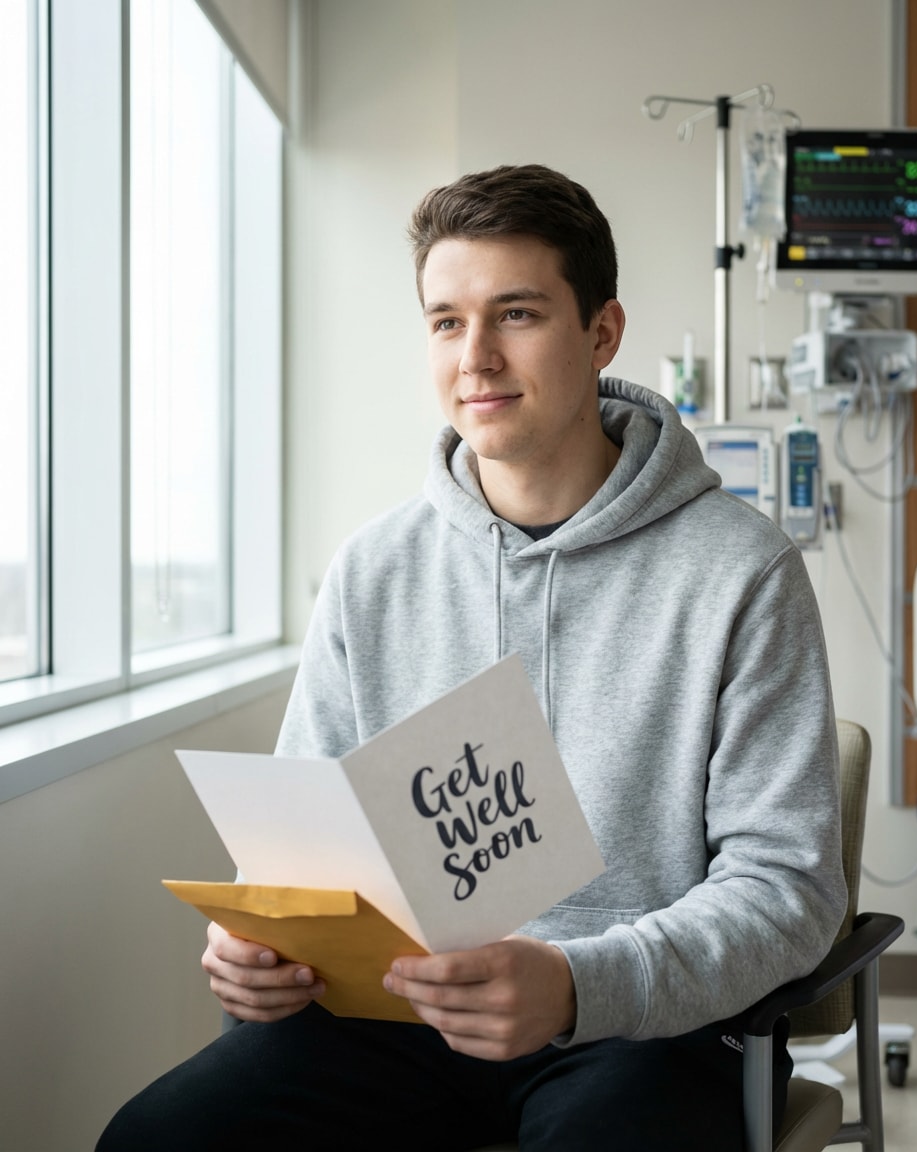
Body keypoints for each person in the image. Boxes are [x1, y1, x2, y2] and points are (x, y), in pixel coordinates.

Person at [97, 163, 846, 1151]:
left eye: (517, 314)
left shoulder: (740, 571)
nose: (475, 357)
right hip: (396, 1015)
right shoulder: (372, 570)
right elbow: (296, 855)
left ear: (601, 332)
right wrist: (262, 945)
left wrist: (580, 984)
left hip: (643, 1026)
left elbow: (787, 889)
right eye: (446, 322)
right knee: (153, 1140)